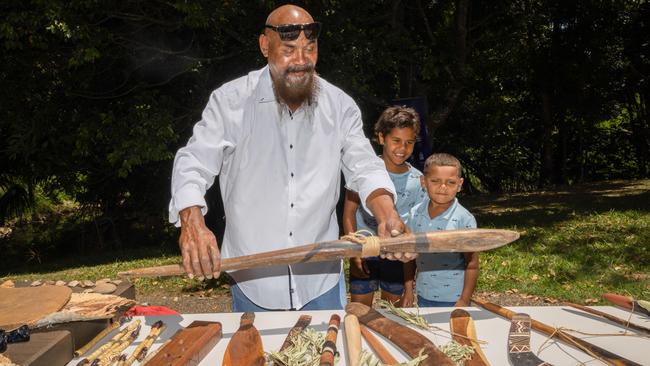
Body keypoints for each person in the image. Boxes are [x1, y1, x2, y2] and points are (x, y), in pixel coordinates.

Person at [168, 4, 413, 312]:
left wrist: (387, 212)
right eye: (288, 50)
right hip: (254, 284)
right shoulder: (229, 102)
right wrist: (192, 221)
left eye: (309, 49)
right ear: (265, 46)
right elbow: (193, 162)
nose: (301, 61)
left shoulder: (339, 106)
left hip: (321, 281)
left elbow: (363, 165)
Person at [343, 106, 426, 307]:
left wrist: (408, 288)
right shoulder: (363, 173)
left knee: (393, 316)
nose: (402, 148)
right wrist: (354, 253)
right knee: (360, 313)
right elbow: (348, 213)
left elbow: (410, 237)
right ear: (381, 138)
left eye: (409, 142)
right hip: (364, 252)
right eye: (396, 140)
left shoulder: (418, 181)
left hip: (396, 258)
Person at [406, 153, 478, 307]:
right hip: (423, 294)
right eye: (435, 181)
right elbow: (409, 257)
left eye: (450, 182)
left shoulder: (464, 219)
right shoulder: (414, 214)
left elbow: (472, 264)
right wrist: (408, 291)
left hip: (454, 299)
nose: (443, 187)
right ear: (423, 181)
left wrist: (464, 300)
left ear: (459, 184)